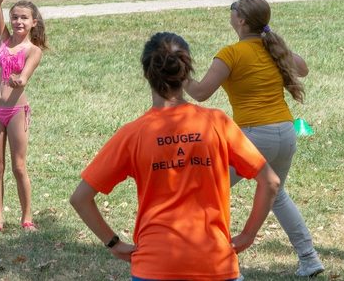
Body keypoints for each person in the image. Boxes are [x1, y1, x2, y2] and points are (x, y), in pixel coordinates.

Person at [70, 32, 280, 281]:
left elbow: (80, 198)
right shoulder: (217, 122)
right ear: (187, 71)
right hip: (214, 264)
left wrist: (113, 243)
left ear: (147, 74)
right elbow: (270, 181)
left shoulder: (133, 134)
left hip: (154, 266)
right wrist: (247, 235)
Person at [185, 0, 325, 278]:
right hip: (285, 133)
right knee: (277, 196)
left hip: (253, 138)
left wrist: (177, 73)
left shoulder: (230, 54)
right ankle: (309, 258)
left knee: (207, 190)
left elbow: (199, 92)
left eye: (233, 8)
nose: (231, 12)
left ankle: (219, 263)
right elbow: (304, 68)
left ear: (242, 20)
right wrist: (281, 47)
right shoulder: (273, 48)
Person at [0, 0, 46, 233]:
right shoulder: (2, 39)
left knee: (19, 167)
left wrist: (20, 79)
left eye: (24, 18)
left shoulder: (33, 50)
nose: (19, 21)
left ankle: (27, 218)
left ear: (34, 23)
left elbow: (26, 73)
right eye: (15, 17)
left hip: (16, 112)